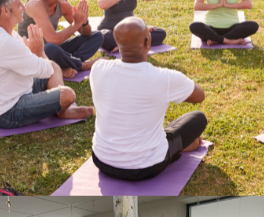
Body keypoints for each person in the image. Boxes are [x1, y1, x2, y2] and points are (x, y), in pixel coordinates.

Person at [88, 17, 207, 181]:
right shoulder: (164, 77)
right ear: (148, 42)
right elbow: (199, 96)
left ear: (116, 42)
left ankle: (167, 144)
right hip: (147, 166)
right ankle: (179, 146)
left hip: (102, 160)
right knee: (198, 118)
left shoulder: (98, 69)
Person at [0, 0, 92, 128]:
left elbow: (39, 66)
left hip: (15, 94)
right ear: (5, 11)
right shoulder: (5, 42)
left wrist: (35, 53)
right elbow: (46, 70)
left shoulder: (1, 31)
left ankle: (62, 109)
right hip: (5, 113)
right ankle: (62, 109)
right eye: (18, 5)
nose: (23, 7)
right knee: (67, 95)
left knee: (55, 66)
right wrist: (39, 51)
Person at [20, 0, 107, 76]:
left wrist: (83, 22)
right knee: (51, 48)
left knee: (97, 36)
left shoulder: (61, 1)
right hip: (32, 54)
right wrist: (77, 24)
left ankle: (67, 64)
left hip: (54, 50)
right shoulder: (36, 4)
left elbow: (86, 33)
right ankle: (83, 65)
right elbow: (53, 40)